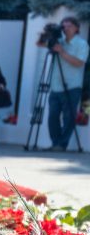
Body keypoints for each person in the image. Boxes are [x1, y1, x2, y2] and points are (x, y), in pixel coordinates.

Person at [43, 16, 89, 151]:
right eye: (64, 26)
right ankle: (55, 143)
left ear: (76, 28)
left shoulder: (82, 44)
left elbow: (79, 63)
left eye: (69, 26)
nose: (66, 28)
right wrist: (47, 34)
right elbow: (39, 44)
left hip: (72, 86)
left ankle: (62, 144)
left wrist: (62, 52)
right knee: (52, 116)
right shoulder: (59, 41)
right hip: (55, 85)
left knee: (69, 117)